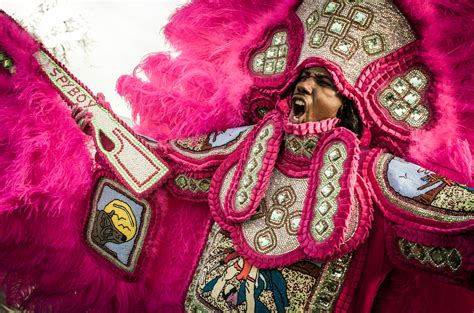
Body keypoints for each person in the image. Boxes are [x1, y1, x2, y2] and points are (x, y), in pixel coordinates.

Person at [0, 0, 473, 312]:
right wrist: (78, 115)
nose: (306, 86)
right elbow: (160, 173)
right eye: (303, 76)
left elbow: (455, 239)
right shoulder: (241, 146)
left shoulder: (380, 180)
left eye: (325, 82)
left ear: (351, 102)